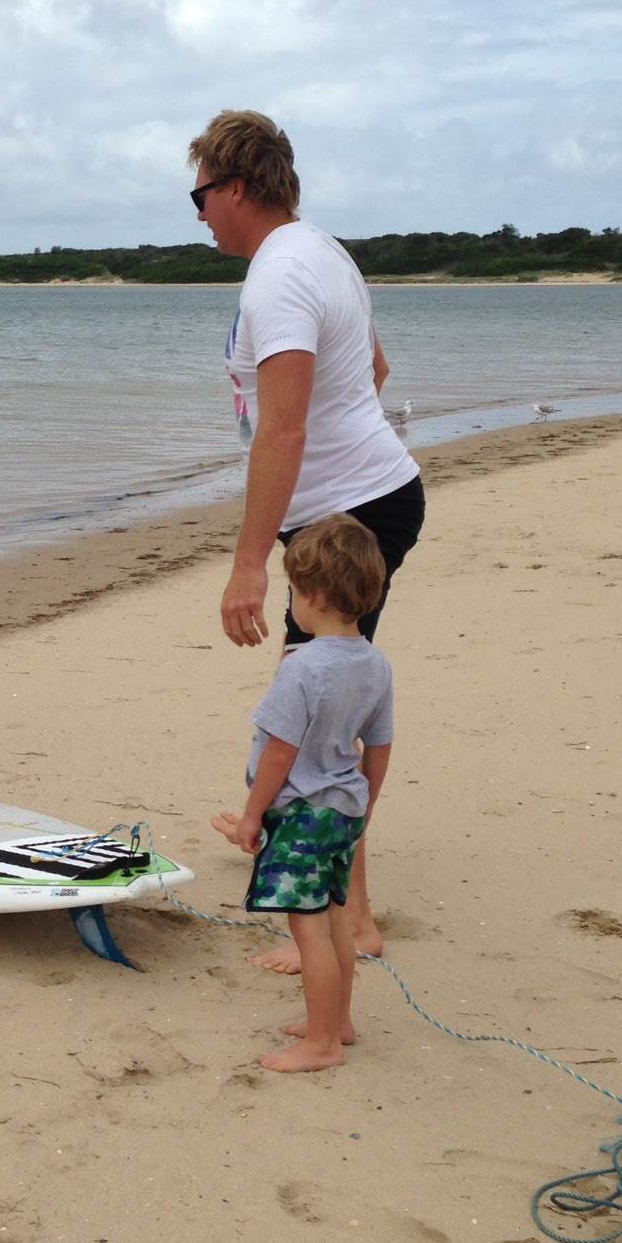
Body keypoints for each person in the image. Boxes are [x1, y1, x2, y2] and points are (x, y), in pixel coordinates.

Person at [189, 109, 422, 974]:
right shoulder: (322, 251)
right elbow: (375, 372)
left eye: (200, 197)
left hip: (345, 519)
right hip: (371, 498)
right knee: (323, 707)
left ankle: (347, 920)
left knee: (316, 718)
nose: (200, 216)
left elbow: (282, 431)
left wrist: (249, 565)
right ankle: (336, 903)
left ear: (236, 187)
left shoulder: (280, 276)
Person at [211, 515, 393, 1073]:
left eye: (291, 591)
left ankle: (321, 1044)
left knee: (308, 929)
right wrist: (367, 806)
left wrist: (252, 816)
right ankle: (338, 1022)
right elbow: (378, 747)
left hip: (302, 815)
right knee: (337, 921)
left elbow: (279, 752)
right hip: (345, 811)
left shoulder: (302, 667)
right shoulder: (375, 664)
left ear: (312, 596)